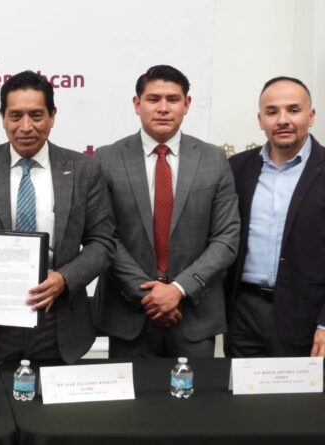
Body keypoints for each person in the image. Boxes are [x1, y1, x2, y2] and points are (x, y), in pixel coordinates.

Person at [0, 70, 116, 365]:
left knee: (55, 397)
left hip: (59, 320)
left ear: (53, 115)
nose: (26, 127)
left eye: (36, 115)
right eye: (16, 116)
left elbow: (102, 242)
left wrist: (63, 278)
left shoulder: (84, 169)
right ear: (2, 117)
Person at [94, 65, 240, 358]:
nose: (163, 108)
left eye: (173, 99)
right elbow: (104, 236)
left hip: (194, 313)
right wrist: (150, 295)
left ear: (187, 104)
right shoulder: (107, 158)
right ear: (137, 104)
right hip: (129, 313)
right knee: (131, 391)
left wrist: (178, 289)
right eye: (153, 99)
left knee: (196, 389)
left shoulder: (213, 159)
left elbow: (226, 237)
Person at [226, 76, 325, 357]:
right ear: (260, 120)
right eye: (272, 112)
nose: (283, 120)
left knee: (300, 389)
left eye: (293, 110)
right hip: (242, 314)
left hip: (307, 316)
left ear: (311, 115)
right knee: (238, 387)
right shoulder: (237, 168)